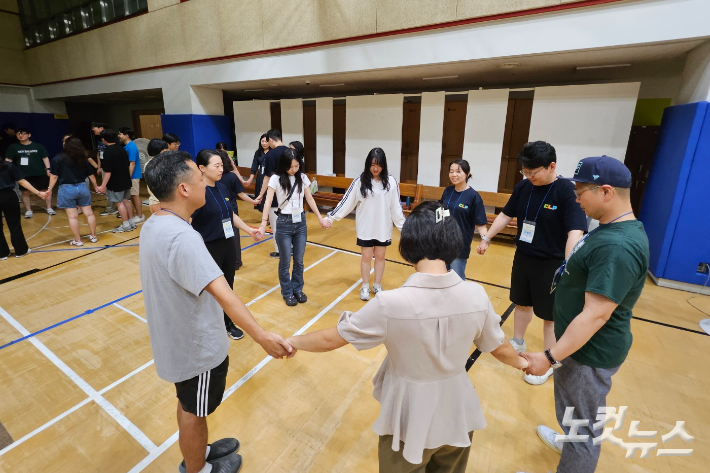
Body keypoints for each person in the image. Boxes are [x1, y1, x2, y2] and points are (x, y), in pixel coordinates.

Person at [287, 201, 528, 472]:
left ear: (409, 244)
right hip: (459, 412)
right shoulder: (476, 295)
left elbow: (334, 338)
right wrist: (526, 363)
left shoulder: (391, 303)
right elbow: (501, 348)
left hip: (409, 417)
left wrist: (291, 341)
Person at [140, 150, 294, 473]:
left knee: (189, 405)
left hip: (175, 344)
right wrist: (263, 337)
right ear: (183, 189)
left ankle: (200, 451)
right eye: (198, 177)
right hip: (196, 351)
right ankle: (198, 468)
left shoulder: (155, 224)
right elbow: (227, 296)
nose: (205, 182)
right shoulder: (183, 238)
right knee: (194, 413)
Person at [518, 156, 649, 473]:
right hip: (578, 346)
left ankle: (574, 454)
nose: (575, 199)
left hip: (590, 352)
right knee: (572, 415)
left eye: (580, 192)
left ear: (606, 191)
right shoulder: (609, 229)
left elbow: (595, 316)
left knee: (583, 431)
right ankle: (569, 444)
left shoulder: (617, 246)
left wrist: (549, 357)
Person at [477, 141, 587, 385]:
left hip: (552, 262)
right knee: (522, 302)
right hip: (524, 255)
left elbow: (575, 231)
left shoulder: (566, 191)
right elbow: (506, 214)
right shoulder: (524, 186)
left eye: (533, 172)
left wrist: (568, 265)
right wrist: (487, 237)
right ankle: (518, 339)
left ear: (551, 166)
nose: (528, 177)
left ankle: (549, 360)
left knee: (549, 315)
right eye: (524, 172)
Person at [192, 149, 260, 341]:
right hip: (209, 248)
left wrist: (249, 230)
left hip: (228, 244)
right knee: (210, 290)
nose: (221, 169)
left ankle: (226, 322)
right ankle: (209, 324)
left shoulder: (222, 188)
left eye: (222, 165)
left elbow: (230, 215)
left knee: (227, 286)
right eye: (217, 165)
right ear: (202, 168)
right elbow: (187, 221)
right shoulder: (197, 192)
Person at [325, 148, 405, 301]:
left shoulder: (391, 182)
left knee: (380, 257)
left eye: (379, 165)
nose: (375, 168)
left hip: (383, 228)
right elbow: (347, 202)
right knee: (366, 257)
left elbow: (396, 208)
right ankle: (365, 285)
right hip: (366, 228)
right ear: (368, 164)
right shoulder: (360, 181)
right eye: (372, 164)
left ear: (384, 165)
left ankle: (377, 284)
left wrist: (404, 229)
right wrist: (331, 217)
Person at [258, 148, 329, 306]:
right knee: (284, 261)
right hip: (283, 222)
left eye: (297, 166)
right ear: (284, 165)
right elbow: (268, 202)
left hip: (300, 222)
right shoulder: (275, 179)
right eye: (291, 167)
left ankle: (297, 289)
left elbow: (309, 199)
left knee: (299, 261)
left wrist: (320, 218)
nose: (294, 169)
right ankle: (287, 292)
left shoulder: (302, 177)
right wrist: (263, 224)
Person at [441, 159, 489, 281]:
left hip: (460, 244)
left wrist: (485, 240)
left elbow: (481, 224)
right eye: (451, 171)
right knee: (441, 276)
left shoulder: (474, 196)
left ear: (467, 174)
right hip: (442, 242)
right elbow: (439, 213)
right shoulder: (448, 191)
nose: (454, 175)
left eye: (458, 171)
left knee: (456, 278)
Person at [46, 137, 99, 246]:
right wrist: (96, 186)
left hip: (67, 188)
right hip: (82, 187)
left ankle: (78, 240)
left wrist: (49, 189)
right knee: (89, 213)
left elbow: (54, 176)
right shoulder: (83, 158)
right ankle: (93, 236)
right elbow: (91, 175)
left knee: (72, 216)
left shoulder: (58, 159)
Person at [215, 150, 261, 271]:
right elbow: (241, 194)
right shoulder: (231, 176)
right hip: (231, 210)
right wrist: (254, 201)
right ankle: (236, 261)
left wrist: (254, 201)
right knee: (233, 235)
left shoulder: (218, 178)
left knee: (224, 236)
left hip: (224, 211)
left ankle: (228, 261)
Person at [0, 159, 47, 259]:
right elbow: (21, 181)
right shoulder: (8, 165)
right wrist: (38, 193)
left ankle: (2, 253)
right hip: (8, 196)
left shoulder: (8, 165)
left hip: (7, 195)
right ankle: (21, 250)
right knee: (14, 224)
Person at [6, 127, 54, 218]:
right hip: (23, 174)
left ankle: (49, 207)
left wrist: (48, 169)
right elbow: (8, 160)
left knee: (45, 190)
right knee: (25, 192)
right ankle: (28, 210)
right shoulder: (13, 147)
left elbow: (45, 157)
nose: (21, 135)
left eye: (23, 133)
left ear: (29, 135)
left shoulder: (38, 146)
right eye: (18, 134)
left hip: (39, 172)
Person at [257, 129, 289, 258]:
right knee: (289, 224)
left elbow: (267, 178)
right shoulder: (290, 152)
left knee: (276, 226)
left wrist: (261, 194)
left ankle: (280, 251)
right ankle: (291, 248)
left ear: (270, 140)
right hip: (290, 195)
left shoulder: (270, 155)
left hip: (275, 195)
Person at [95, 129, 134, 233]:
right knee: (126, 201)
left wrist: (103, 185)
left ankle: (125, 225)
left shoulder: (108, 152)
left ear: (103, 139)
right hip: (125, 180)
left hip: (116, 182)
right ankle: (131, 222)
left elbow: (108, 171)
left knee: (119, 203)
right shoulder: (122, 149)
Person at [118, 127, 144, 225]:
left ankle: (140, 216)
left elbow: (132, 164)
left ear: (126, 135)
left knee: (135, 196)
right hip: (130, 176)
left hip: (133, 176)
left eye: (120, 134)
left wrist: (127, 177)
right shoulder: (126, 146)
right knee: (132, 197)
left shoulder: (132, 147)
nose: (119, 136)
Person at [92, 122, 116, 217]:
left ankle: (111, 208)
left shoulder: (110, 141)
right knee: (106, 188)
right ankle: (111, 207)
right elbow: (99, 154)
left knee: (109, 187)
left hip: (109, 168)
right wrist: (99, 166)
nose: (93, 130)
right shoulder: (99, 141)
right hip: (103, 166)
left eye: (95, 128)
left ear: (101, 128)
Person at [245, 134, 269, 212]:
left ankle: (270, 215)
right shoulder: (258, 152)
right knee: (261, 194)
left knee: (269, 195)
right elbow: (254, 166)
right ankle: (264, 214)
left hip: (270, 176)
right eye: (262, 141)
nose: (264, 143)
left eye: (266, 141)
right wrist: (250, 179)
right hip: (261, 176)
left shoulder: (273, 152)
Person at [145, 138, 169, 214]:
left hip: (154, 202)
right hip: (161, 203)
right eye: (165, 150)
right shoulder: (159, 165)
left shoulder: (148, 163)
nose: (167, 151)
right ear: (160, 150)